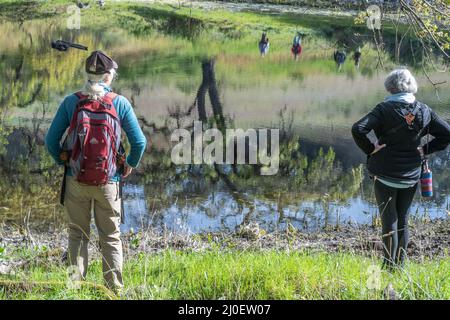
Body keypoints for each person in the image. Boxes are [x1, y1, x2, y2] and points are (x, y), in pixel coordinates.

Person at [45, 51, 147, 291]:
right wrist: (129, 164)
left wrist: (66, 163)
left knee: (77, 235)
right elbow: (139, 143)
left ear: (87, 74)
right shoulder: (119, 103)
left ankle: (74, 288)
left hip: (75, 181)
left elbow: (51, 142)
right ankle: (113, 290)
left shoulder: (71, 102)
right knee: (110, 238)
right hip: (108, 182)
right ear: (108, 77)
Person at [351, 68, 450, 269]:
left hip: (385, 174)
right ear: (410, 85)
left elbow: (358, 129)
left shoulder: (383, 109)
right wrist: (425, 149)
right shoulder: (423, 110)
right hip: (411, 175)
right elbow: (447, 134)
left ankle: (388, 268)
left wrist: (371, 149)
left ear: (390, 87)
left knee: (389, 222)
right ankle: (400, 267)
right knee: (403, 219)